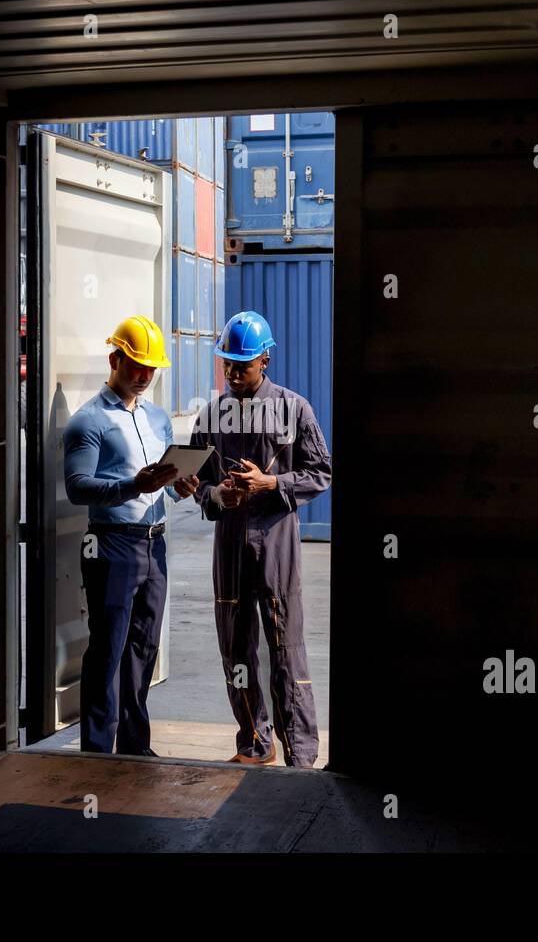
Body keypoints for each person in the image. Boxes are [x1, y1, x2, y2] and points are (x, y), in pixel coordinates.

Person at [189, 312, 332, 767]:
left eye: (242, 365)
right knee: (235, 647)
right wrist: (213, 493)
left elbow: (321, 472)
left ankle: (301, 753)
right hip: (230, 545)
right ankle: (254, 741)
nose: (232, 373)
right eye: (227, 364)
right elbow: (199, 485)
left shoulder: (294, 409)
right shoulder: (211, 416)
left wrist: (271, 486)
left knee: (284, 648)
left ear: (265, 359)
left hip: (275, 544)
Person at [62, 315, 200, 756]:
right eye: (136, 365)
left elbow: (160, 480)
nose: (144, 376)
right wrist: (130, 486)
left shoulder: (159, 419)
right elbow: (76, 486)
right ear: (114, 358)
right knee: (107, 651)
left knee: (143, 649)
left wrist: (179, 487)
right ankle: (98, 754)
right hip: (112, 544)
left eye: (150, 369)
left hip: (154, 542)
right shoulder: (88, 422)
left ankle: (136, 746)